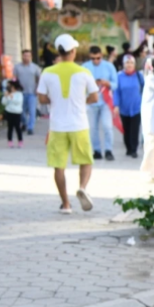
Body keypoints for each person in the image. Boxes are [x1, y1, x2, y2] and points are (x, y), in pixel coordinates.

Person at [37, 34, 99, 214]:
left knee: (58, 166)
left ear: (59, 52)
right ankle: (82, 187)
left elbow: (41, 98)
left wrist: (54, 101)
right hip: (79, 123)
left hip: (57, 126)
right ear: (73, 51)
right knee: (86, 160)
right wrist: (82, 101)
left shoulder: (47, 72)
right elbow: (95, 96)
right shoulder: (84, 72)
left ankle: (65, 204)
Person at [82, 45, 118, 161]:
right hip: (91, 101)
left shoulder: (109, 66)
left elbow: (116, 84)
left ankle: (108, 150)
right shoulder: (85, 67)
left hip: (105, 102)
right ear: (89, 57)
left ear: (101, 56)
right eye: (93, 58)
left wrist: (106, 83)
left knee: (107, 126)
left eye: (98, 58)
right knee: (92, 128)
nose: (95, 61)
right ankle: (96, 150)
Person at [114, 54, 144, 158]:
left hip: (137, 107)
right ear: (123, 64)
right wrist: (116, 105)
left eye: (131, 63)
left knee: (135, 129)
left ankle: (134, 149)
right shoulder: (119, 76)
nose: (129, 65)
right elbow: (116, 91)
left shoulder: (139, 76)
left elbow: (144, 89)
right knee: (126, 129)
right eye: (127, 62)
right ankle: (128, 148)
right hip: (124, 108)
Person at [13, 49, 42, 135]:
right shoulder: (17, 67)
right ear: (22, 56)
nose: (26, 57)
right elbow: (14, 78)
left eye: (28, 56)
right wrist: (14, 88)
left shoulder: (35, 67)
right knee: (20, 111)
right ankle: (25, 123)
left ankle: (30, 128)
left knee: (32, 111)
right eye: (24, 55)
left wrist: (38, 88)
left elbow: (39, 79)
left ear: (31, 57)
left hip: (32, 92)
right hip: (20, 93)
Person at [140, 57, 154, 181]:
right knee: (151, 147)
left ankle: (152, 172)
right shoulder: (152, 79)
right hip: (151, 120)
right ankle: (147, 173)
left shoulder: (152, 78)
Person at [1, 79, 24, 148]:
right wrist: (5, 96)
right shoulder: (7, 94)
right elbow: (3, 103)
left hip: (17, 113)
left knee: (17, 128)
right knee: (10, 127)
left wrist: (11, 97)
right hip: (9, 112)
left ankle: (20, 141)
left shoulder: (19, 94)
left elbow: (18, 102)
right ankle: (10, 141)